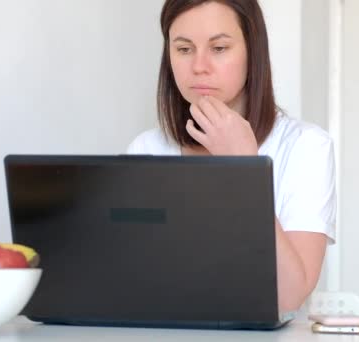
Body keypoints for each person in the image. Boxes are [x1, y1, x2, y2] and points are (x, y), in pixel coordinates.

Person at [127, 0, 336, 313]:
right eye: (184, 49)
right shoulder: (146, 151)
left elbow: (288, 296)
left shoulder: (306, 147)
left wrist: (245, 168)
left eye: (219, 48)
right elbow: (132, 284)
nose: (199, 66)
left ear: (253, 52)